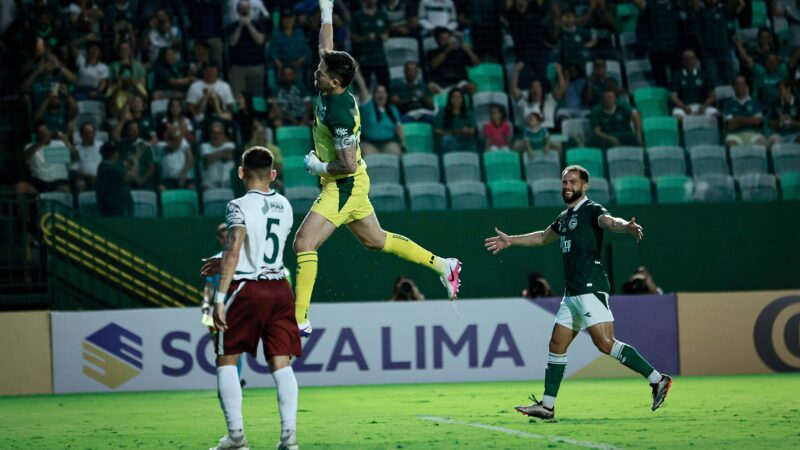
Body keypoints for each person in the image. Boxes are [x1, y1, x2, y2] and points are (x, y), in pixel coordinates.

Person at [295, 0, 462, 336]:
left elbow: (344, 164)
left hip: (343, 184)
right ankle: (445, 266)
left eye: (322, 72)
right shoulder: (333, 85)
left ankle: (298, 319)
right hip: (354, 181)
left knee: (303, 244)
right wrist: (327, 10)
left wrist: (317, 166)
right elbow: (325, 47)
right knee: (376, 241)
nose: (317, 71)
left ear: (335, 82)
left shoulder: (339, 112)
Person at [485, 165, 672, 419]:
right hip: (572, 292)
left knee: (605, 343)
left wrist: (625, 226)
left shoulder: (592, 209)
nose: (567, 186)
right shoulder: (564, 217)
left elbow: (609, 221)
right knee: (557, 344)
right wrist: (511, 240)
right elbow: (542, 237)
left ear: (584, 186)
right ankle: (547, 406)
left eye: (572, 182)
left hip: (590, 287)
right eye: (564, 182)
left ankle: (657, 379)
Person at [205, 146, 300, 450]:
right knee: (281, 363)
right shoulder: (284, 205)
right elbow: (261, 249)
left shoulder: (237, 205)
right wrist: (227, 260)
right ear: (273, 175)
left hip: (247, 289)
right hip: (280, 288)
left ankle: (236, 437)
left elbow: (236, 247)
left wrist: (219, 296)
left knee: (226, 358)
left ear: (241, 173)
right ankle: (289, 437)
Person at [201, 223, 245, 387]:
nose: (226, 236)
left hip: (239, 307)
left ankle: (235, 380)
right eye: (222, 234)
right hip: (220, 309)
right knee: (221, 348)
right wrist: (205, 305)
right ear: (219, 238)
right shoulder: (216, 260)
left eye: (228, 232)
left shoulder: (243, 256)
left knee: (234, 347)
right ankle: (229, 380)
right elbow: (209, 286)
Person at [226, 0, 267, 97]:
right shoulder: (232, 26)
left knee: (258, 98)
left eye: (246, 8)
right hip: (237, 67)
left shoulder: (258, 25)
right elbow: (232, 43)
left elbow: (260, 40)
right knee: (237, 98)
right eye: (241, 9)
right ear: (237, 10)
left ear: (250, 10)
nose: (244, 11)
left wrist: (249, 25)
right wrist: (240, 26)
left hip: (256, 66)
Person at [427, 27, 480, 94]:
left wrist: (468, 50)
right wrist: (447, 50)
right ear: (436, 40)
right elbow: (433, 65)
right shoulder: (432, 52)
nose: (445, 41)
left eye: (447, 38)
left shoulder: (460, 52)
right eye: (442, 39)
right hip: (440, 83)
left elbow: (477, 63)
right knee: (430, 88)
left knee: (471, 87)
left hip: (458, 82)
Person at [670, 49, 718, 121]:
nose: (689, 61)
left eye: (691, 59)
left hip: (702, 106)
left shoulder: (703, 74)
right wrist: (684, 107)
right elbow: (673, 96)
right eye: (686, 59)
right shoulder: (676, 76)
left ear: (696, 60)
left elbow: (712, 95)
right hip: (683, 107)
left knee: (717, 115)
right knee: (677, 118)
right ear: (683, 61)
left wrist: (704, 107)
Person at [723, 75, 767, 146]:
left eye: (742, 84)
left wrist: (738, 120)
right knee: (730, 144)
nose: (740, 86)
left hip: (753, 133)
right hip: (735, 135)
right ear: (734, 87)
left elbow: (757, 122)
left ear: (746, 85)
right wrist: (749, 120)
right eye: (737, 84)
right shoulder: (729, 103)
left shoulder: (754, 102)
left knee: (762, 143)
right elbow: (730, 125)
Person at [95, 141, 135, 217]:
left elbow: (125, 166)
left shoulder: (110, 166)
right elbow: (129, 177)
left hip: (117, 207)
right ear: (113, 154)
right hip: (111, 209)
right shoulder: (106, 168)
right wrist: (136, 163)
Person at [434, 87, 477, 152]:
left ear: (462, 99)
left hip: (465, 138)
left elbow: (473, 130)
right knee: (447, 140)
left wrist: (466, 131)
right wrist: (450, 133)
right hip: (449, 138)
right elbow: (437, 131)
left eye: (458, 97)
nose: (456, 100)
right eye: (453, 97)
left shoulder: (469, 113)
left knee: (475, 143)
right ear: (450, 99)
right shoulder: (442, 112)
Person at [202, 122, 236, 189]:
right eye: (213, 133)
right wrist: (224, 152)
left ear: (223, 135)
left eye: (218, 133)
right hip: (209, 185)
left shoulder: (230, 145)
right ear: (210, 134)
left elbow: (230, 156)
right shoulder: (204, 147)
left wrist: (215, 156)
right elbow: (207, 159)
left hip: (228, 185)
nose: (216, 136)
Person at [71, 121, 103, 192]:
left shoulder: (102, 146)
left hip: (102, 177)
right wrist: (88, 177)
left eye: (91, 133)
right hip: (85, 179)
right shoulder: (76, 150)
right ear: (81, 135)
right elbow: (73, 170)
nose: (89, 136)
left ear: (94, 134)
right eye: (86, 133)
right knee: (79, 184)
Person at [768, 80, 800, 145]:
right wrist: (779, 121)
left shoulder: (798, 102)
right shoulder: (775, 103)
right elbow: (770, 123)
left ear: (788, 89)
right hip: (779, 134)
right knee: (773, 140)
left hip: (795, 134)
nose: (778, 92)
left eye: (780, 89)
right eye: (778, 90)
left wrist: (791, 122)